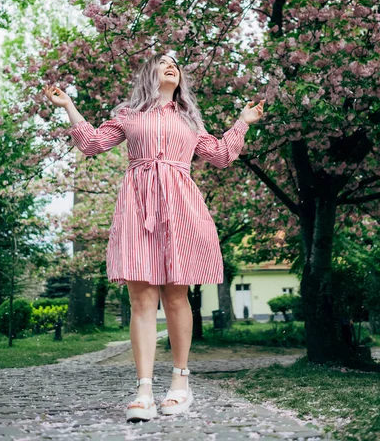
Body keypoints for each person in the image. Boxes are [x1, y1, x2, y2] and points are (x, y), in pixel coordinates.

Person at [43, 52, 264, 422]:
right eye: (163, 61)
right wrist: (69, 105)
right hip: (138, 206)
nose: (171, 64)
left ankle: (180, 383)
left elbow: (222, 155)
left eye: (176, 62)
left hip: (180, 206)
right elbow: (93, 143)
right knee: (141, 297)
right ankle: (144, 389)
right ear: (150, 73)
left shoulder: (189, 119)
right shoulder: (130, 114)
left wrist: (243, 121)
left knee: (176, 295)